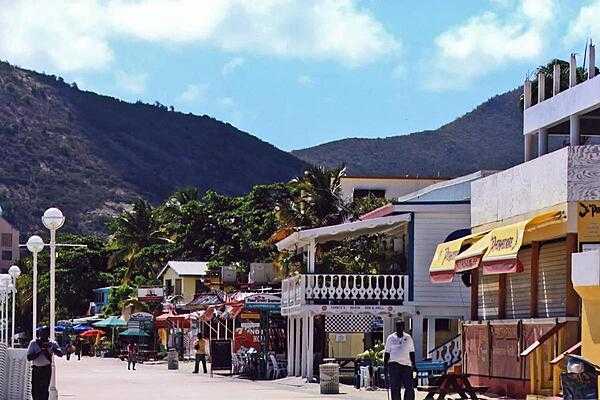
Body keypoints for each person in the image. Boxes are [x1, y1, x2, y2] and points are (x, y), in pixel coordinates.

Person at [27, 328, 63, 400]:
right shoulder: (34, 343)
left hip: (46, 369)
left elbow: (60, 354)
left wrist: (52, 349)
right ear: (39, 334)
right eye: (42, 334)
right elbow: (29, 357)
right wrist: (40, 351)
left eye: (45, 334)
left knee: (45, 390)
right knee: (35, 390)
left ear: (48, 334)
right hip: (36, 369)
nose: (43, 336)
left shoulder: (52, 343)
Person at [384, 320, 416, 400]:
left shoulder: (408, 338)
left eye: (401, 326)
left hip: (406, 366)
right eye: (398, 326)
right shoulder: (390, 338)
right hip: (394, 365)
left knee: (409, 388)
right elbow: (387, 353)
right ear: (396, 327)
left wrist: (414, 364)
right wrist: (385, 366)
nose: (399, 328)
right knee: (395, 388)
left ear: (403, 327)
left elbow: (412, 352)